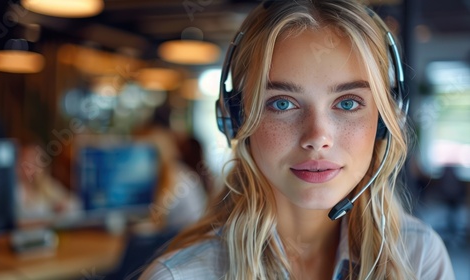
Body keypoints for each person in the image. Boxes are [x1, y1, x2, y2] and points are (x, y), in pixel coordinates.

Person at [138, 0, 455, 279]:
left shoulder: (419, 258)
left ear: (385, 120)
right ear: (235, 119)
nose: (317, 138)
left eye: (347, 103)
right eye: (282, 104)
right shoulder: (180, 276)